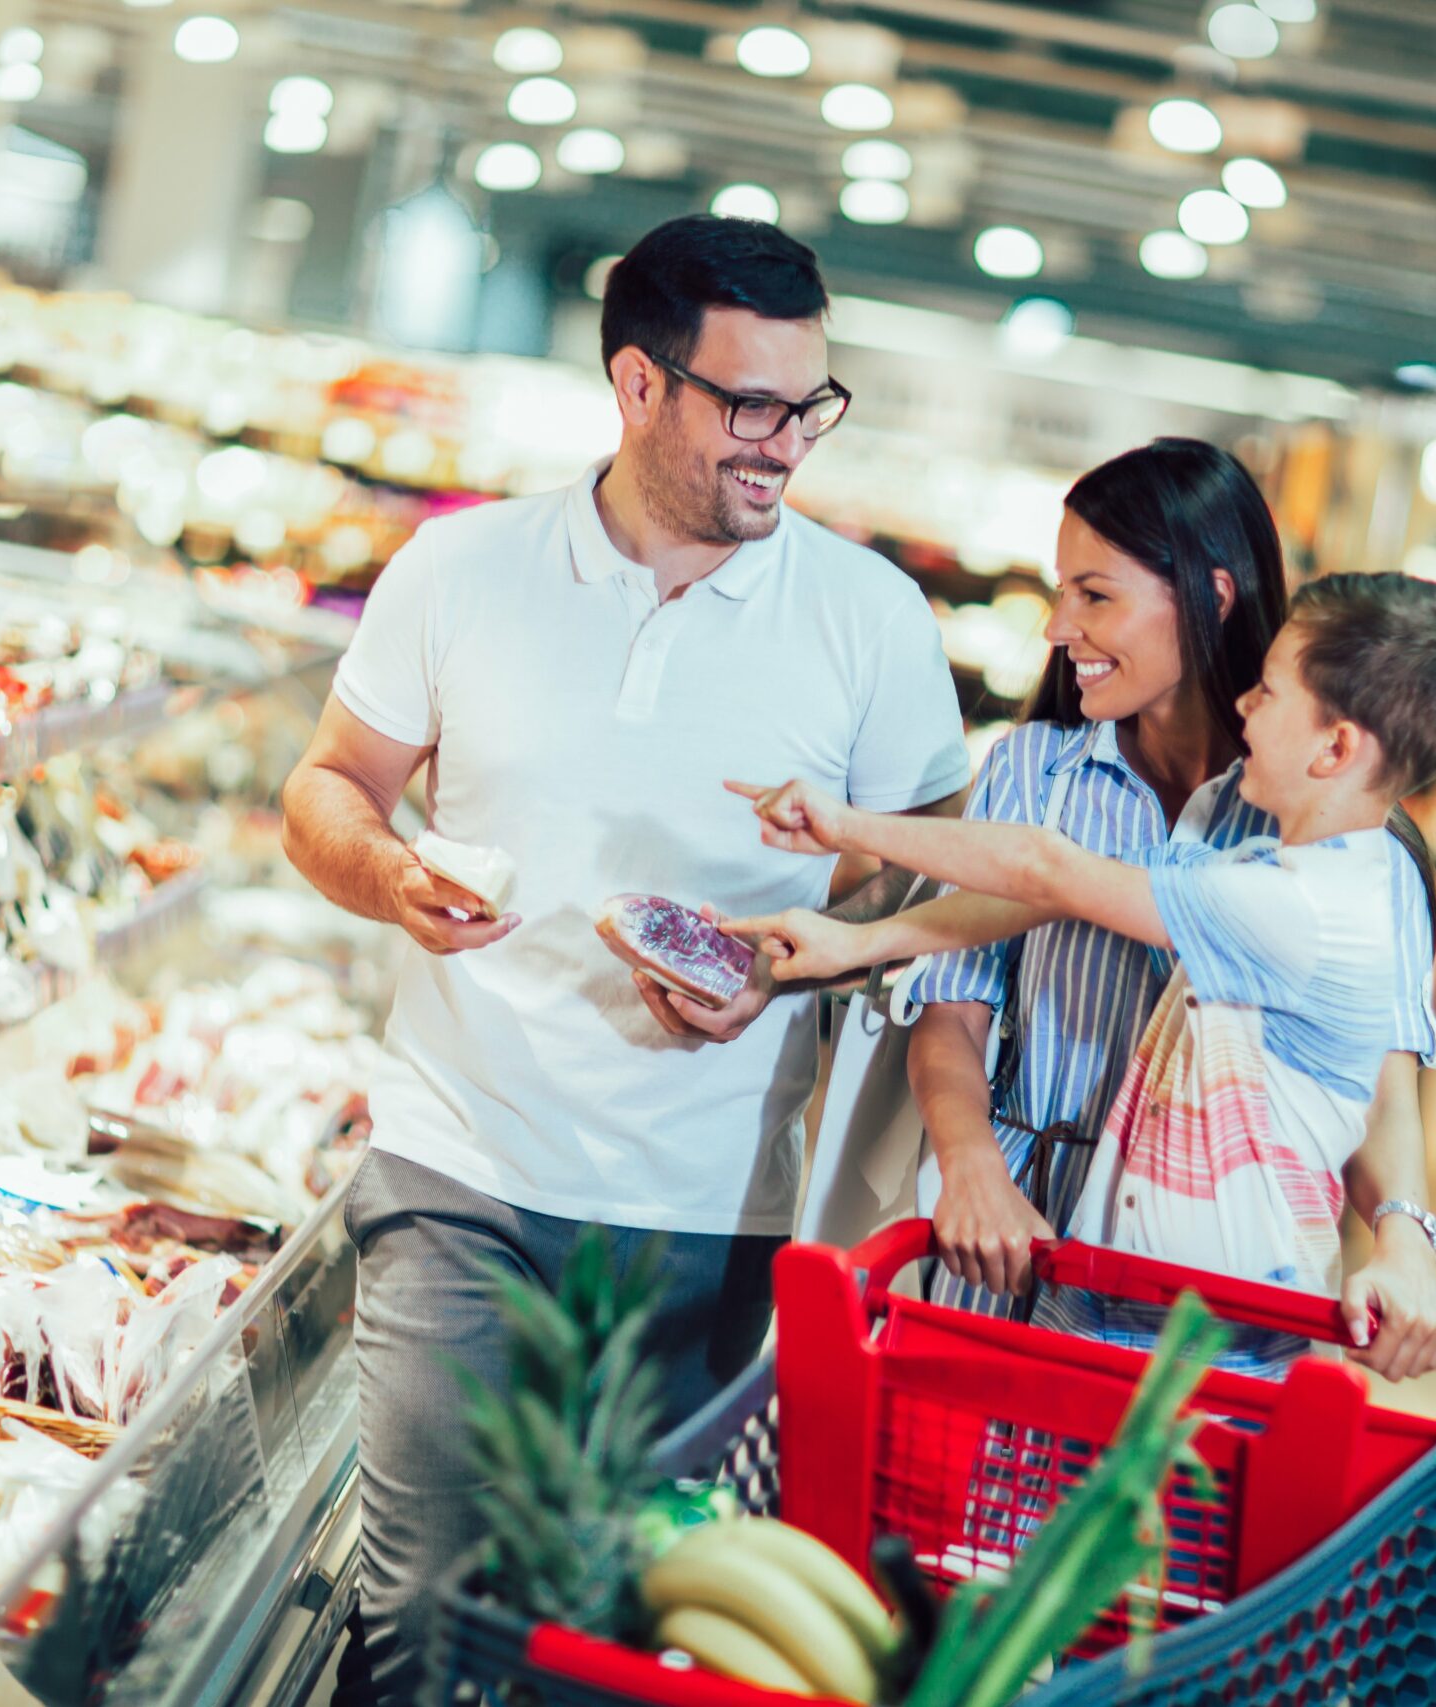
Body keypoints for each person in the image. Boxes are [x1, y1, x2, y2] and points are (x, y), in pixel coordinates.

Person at [281, 214, 970, 1702]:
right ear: (638, 384)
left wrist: (797, 963)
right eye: (749, 404)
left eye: (811, 405)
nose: (785, 444)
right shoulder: (460, 567)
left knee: (613, 1625)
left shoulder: (872, 620)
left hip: (711, 1209)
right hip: (458, 1166)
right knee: (423, 1609)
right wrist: (395, 875)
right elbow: (328, 786)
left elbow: (924, 882)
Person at [754, 439, 1436, 1380]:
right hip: (1004, 1247)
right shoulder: (1032, 769)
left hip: (1196, 1300)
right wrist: (971, 1167)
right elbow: (958, 998)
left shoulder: (1339, 853)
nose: (1058, 627)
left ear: (1210, 597)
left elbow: (1377, 1081)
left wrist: (1406, 1239)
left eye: (1095, 595)